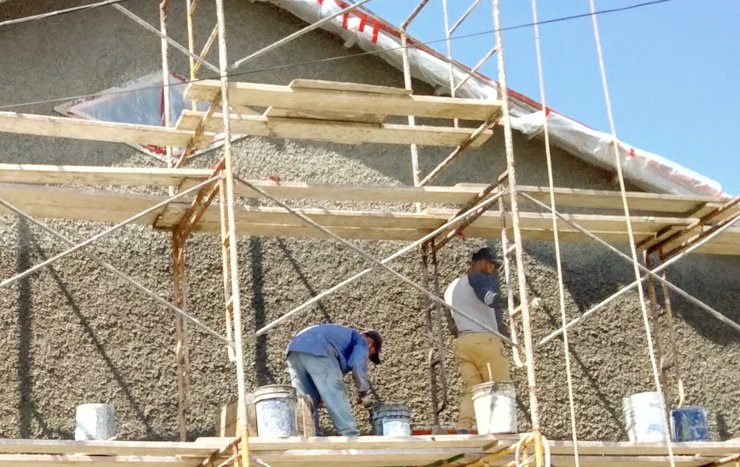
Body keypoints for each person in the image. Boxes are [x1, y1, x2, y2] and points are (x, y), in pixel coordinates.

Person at [444, 247, 511, 433]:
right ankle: (502, 430)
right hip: (484, 341)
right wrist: (515, 300)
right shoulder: (478, 277)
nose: (493, 271)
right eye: (492, 265)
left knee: (473, 389)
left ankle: (464, 427)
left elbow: (451, 324)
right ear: (481, 261)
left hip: (463, 344)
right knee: (500, 386)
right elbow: (490, 299)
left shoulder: (451, 288)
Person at [285, 324, 383, 437]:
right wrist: (364, 392)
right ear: (371, 343)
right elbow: (357, 364)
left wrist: (320, 396)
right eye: (371, 354)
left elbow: (323, 376)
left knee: (305, 399)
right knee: (336, 393)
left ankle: (309, 435)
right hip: (318, 349)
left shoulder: (342, 339)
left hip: (294, 350)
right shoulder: (361, 340)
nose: (367, 356)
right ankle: (350, 435)